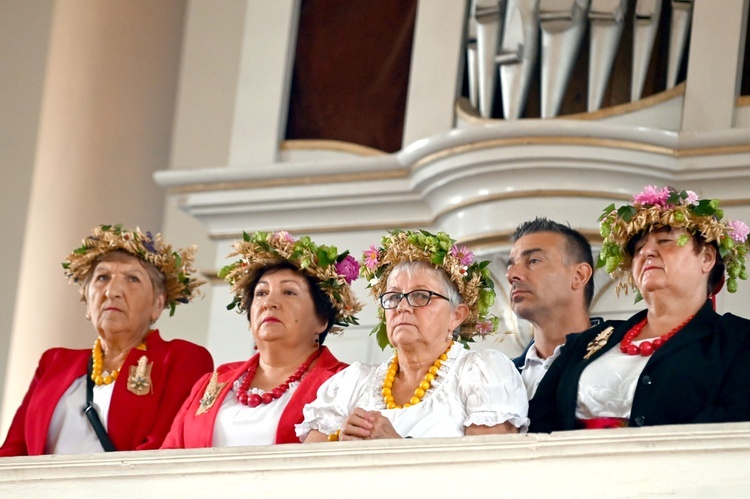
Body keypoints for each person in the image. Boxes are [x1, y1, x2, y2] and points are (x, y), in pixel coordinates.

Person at [529, 186, 750, 431]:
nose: (646, 252)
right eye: (638, 249)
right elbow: (540, 418)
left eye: (665, 241)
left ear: (707, 258)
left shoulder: (738, 341)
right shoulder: (585, 342)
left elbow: (734, 420)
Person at [0, 225, 213, 456]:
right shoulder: (54, 362)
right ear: (87, 301)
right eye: (102, 277)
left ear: (158, 304)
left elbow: (161, 450)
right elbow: (14, 451)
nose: (113, 291)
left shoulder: (181, 358)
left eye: (133, 279)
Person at [299, 229, 528, 442]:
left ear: (456, 316)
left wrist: (394, 447)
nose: (403, 307)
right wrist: (342, 448)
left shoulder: (482, 373)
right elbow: (306, 471)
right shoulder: (352, 383)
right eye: (394, 297)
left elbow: (489, 472)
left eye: (421, 296)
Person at [162, 231, 362, 447]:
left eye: (289, 292)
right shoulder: (214, 381)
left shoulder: (344, 383)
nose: (269, 303)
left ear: (322, 320)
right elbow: (168, 457)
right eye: (261, 293)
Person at [507, 217, 598, 399]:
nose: (511, 275)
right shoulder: (504, 376)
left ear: (579, 275)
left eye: (533, 261)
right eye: (511, 266)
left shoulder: (617, 353)